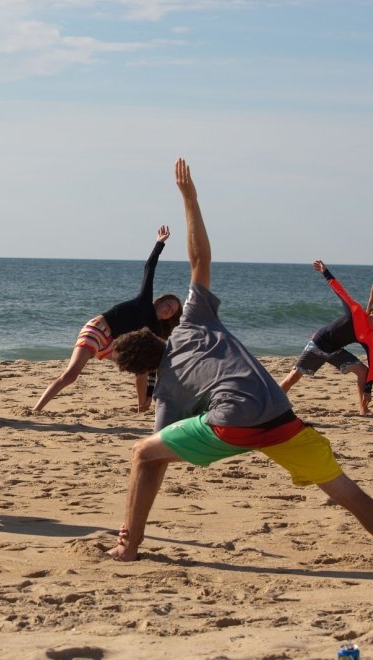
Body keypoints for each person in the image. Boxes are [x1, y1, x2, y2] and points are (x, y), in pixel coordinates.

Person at [107, 158, 373, 561]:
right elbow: (200, 261)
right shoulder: (195, 319)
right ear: (153, 335)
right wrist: (190, 199)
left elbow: (155, 461)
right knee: (346, 492)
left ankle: (128, 547)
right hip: (281, 416)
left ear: (144, 370)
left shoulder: (166, 392)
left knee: (144, 453)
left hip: (235, 420)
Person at [32, 226, 182, 413]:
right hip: (98, 329)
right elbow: (149, 268)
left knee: (143, 368)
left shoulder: (155, 330)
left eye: (173, 311)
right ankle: (36, 409)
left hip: (113, 344)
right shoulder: (144, 300)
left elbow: (152, 366)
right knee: (71, 375)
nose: (169, 311)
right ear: (159, 301)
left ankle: (142, 405)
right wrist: (160, 243)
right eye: (168, 305)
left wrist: (150, 394)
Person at [280, 262, 373, 415]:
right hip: (317, 344)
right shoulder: (355, 311)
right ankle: (273, 403)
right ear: (370, 313)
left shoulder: (370, 338)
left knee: (363, 371)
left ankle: (363, 409)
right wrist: (325, 272)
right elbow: (340, 291)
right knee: (293, 377)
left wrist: (368, 389)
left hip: (336, 351)